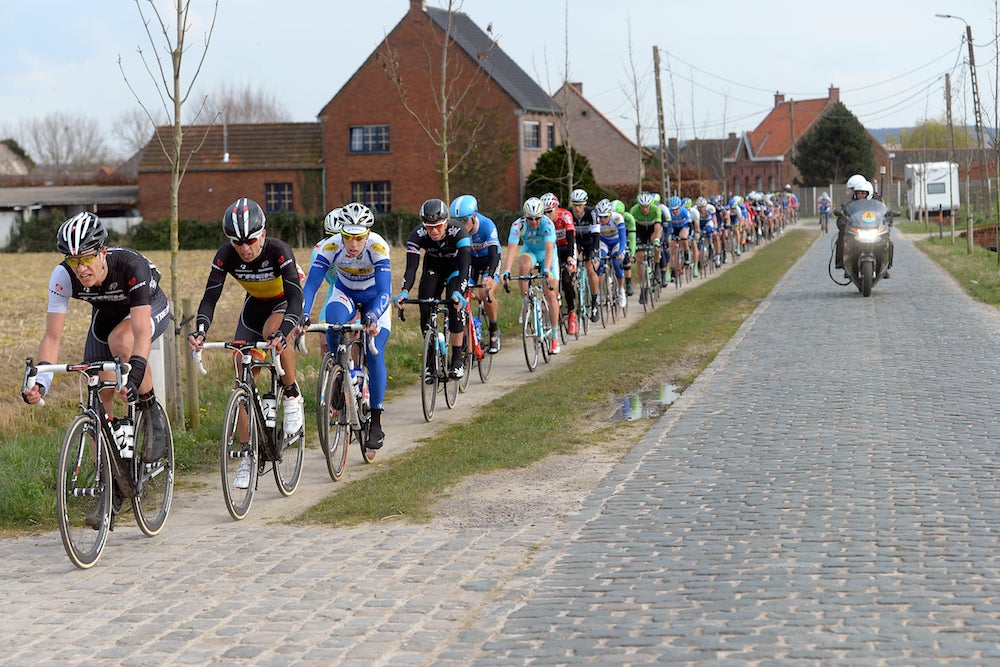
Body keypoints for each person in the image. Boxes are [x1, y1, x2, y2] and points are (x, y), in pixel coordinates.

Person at [22, 212, 172, 524]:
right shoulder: (63, 276)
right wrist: (41, 382)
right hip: (106, 315)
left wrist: (136, 373)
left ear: (102, 252)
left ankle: (150, 410)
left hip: (149, 308)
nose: (82, 269)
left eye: (88, 259)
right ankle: (111, 485)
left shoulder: (130, 266)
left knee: (122, 340)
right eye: (74, 261)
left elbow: (142, 333)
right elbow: (52, 337)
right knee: (98, 395)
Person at [188, 197, 305, 488]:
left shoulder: (279, 251)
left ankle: (291, 396)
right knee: (241, 372)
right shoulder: (226, 255)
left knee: (273, 334)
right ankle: (248, 455)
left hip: (283, 304)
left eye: (251, 240)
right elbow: (210, 297)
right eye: (237, 243)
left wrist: (286, 330)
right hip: (254, 307)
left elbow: (296, 298)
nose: (245, 248)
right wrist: (200, 330)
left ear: (262, 234)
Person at [302, 202, 391, 449]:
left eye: (359, 238)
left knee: (375, 352)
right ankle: (340, 373)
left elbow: (385, 291)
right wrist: (303, 314)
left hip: (375, 299)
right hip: (346, 293)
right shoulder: (328, 247)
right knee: (333, 324)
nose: (352, 244)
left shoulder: (378, 246)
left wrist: (373, 316)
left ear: (367, 234)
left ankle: (376, 422)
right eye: (347, 237)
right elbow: (311, 286)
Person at [394, 198, 472, 379]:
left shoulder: (459, 232)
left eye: (438, 226)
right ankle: (430, 360)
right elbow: (411, 268)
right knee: (426, 305)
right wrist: (405, 290)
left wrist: (459, 292)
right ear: (424, 225)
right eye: (429, 227)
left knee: (454, 306)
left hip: (455, 268)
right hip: (433, 268)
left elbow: (466, 266)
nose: (434, 231)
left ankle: (457, 359)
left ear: (446, 222)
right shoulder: (416, 236)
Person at [501, 197, 562, 355]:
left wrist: (547, 270)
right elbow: (512, 249)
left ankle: (555, 337)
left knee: (550, 293)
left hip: (548, 255)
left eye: (537, 218)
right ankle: (525, 303)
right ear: (524, 216)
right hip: (530, 252)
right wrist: (506, 270)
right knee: (522, 266)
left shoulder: (547, 224)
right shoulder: (518, 225)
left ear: (542, 216)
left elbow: (549, 249)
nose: (534, 222)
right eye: (530, 218)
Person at [451, 194, 502, 353]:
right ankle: (468, 334)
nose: (461, 225)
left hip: (489, 260)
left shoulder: (487, 225)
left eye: (464, 220)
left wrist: (490, 276)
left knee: (485, 291)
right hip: (471, 261)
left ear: (474, 217)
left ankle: (494, 328)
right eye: (457, 221)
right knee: (463, 293)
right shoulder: (456, 229)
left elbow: (494, 255)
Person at [541, 192, 578, 335]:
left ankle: (572, 313)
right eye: (544, 212)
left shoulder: (565, 215)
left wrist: (570, 257)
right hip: (552, 249)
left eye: (549, 211)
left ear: (556, 209)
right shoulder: (542, 221)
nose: (546, 215)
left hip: (566, 247)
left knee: (567, 280)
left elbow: (570, 238)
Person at [568, 188, 601, 321]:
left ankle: (594, 302)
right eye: (574, 205)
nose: (577, 208)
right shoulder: (569, 213)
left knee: (590, 269)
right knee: (570, 266)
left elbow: (597, 235)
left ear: (585, 204)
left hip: (590, 241)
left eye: (580, 205)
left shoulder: (592, 213)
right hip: (576, 241)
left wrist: (594, 253)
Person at [594, 198, 628, 308]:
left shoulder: (617, 218)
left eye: (605, 216)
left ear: (610, 214)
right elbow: (594, 238)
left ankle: (621, 289)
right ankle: (599, 292)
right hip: (603, 242)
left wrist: (621, 252)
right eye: (600, 217)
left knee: (617, 263)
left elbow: (623, 237)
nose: (602, 219)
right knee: (600, 263)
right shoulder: (595, 219)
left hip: (617, 241)